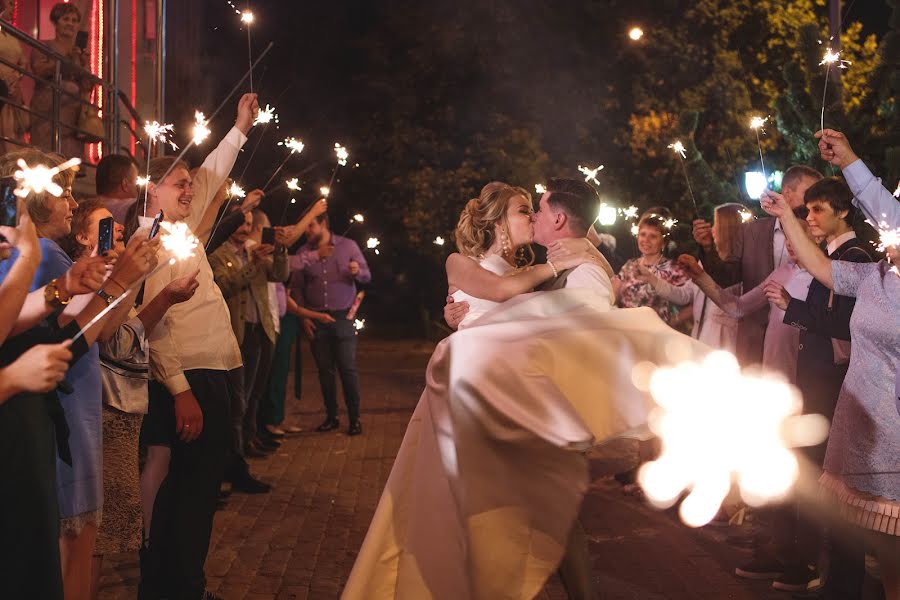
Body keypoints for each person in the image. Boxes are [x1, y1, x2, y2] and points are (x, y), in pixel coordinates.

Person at [344, 182, 711, 599]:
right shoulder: (464, 263)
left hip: (511, 402)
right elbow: (500, 295)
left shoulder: (530, 278)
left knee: (533, 511)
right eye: (524, 210)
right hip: (472, 398)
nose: (532, 217)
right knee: (479, 509)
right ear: (498, 221)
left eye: (534, 210)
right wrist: (468, 317)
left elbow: (535, 326)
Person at [0, 150, 156, 599]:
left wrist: (65, 287)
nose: (70, 201)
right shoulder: (39, 253)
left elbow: (38, 322)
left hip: (44, 413)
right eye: (61, 191)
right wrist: (111, 284)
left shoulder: (43, 257)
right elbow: (77, 337)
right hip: (34, 415)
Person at [136, 93, 257, 600]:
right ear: (152, 191)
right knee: (188, 496)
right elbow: (153, 326)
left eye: (190, 183)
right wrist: (181, 390)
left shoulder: (181, 231)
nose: (192, 190)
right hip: (192, 379)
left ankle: (176, 586)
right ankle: (180, 588)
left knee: (196, 493)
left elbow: (211, 173)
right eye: (179, 184)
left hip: (214, 372)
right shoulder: (156, 243)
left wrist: (241, 129)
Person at [760, 187, 899, 600]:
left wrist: (851, 162)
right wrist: (786, 212)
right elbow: (820, 266)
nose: (887, 231)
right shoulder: (876, 276)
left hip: (893, 440)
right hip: (862, 434)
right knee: (883, 559)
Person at [693, 165, 823, 366]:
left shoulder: (818, 237)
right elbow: (728, 278)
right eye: (809, 193)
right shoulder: (750, 232)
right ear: (787, 193)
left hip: (801, 343)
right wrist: (708, 249)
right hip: (752, 337)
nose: (814, 201)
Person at [209, 204, 288, 490]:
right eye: (240, 224)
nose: (245, 229)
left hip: (262, 331)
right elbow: (226, 286)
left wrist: (279, 250)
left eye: (249, 224)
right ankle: (233, 466)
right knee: (237, 404)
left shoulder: (254, 250)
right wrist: (254, 264)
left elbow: (279, 275)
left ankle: (245, 452)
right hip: (236, 335)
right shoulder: (218, 254)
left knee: (253, 397)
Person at [293, 212, 371, 436]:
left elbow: (367, 276)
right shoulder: (303, 253)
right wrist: (304, 317)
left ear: (324, 223)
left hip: (343, 318)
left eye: (311, 226)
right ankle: (331, 417)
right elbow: (297, 288)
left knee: (347, 369)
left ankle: (355, 419)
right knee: (324, 372)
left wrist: (358, 272)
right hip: (317, 320)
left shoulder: (349, 246)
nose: (307, 231)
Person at [262, 198, 331, 436]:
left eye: (313, 224)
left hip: (284, 316)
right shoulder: (275, 252)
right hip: (275, 317)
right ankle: (268, 422)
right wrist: (314, 210)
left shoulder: (344, 246)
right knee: (272, 373)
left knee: (282, 371)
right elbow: (290, 256)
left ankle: (276, 419)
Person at [635, 203, 744, 352]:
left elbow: (722, 284)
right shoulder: (705, 262)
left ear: (727, 229)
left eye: (716, 225)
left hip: (724, 345)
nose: (711, 230)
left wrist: (675, 319)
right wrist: (651, 279)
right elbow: (685, 295)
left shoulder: (739, 267)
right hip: (699, 339)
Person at [30, 3, 94, 158]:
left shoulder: (79, 53)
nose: (70, 24)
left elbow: (88, 86)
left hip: (72, 118)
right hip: (47, 112)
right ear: (56, 22)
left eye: (74, 20)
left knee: (68, 166)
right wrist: (66, 59)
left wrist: (84, 64)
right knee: (44, 160)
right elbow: (39, 70)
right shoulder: (44, 45)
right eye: (66, 19)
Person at [613, 210, 690, 325]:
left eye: (653, 236)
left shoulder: (674, 269)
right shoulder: (629, 266)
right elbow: (614, 296)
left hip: (656, 336)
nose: (646, 240)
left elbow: (693, 302)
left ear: (663, 242)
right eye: (643, 234)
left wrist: (673, 321)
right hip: (626, 330)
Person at [0, 0, 28, 153]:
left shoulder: (12, 33)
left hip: (13, 86)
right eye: (10, 3)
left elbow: (23, 60)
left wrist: (17, 76)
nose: (13, 7)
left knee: (12, 131)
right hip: (1, 84)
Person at [95, 154, 139, 224]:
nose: (138, 186)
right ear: (125, 184)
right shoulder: (135, 207)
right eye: (136, 180)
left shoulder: (85, 211)